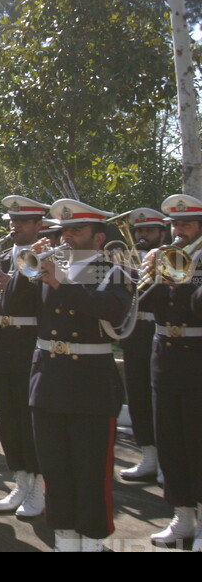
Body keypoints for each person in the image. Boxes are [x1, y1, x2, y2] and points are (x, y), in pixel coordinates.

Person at [26, 199, 130, 552]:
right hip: (49, 381)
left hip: (90, 385)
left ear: (98, 238)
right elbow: (12, 306)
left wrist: (60, 282)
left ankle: (92, 538)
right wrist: (23, 262)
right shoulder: (48, 268)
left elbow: (110, 309)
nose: (66, 237)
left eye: (76, 230)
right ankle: (64, 536)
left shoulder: (111, 271)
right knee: (54, 468)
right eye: (64, 230)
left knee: (90, 471)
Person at [141, 194, 202, 551]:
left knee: (197, 440)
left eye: (187, 225)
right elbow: (141, 303)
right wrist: (148, 274)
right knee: (170, 440)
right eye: (175, 225)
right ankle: (182, 514)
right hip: (164, 354)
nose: (179, 231)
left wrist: (184, 280)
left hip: (197, 356)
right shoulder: (163, 256)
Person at [0, 196, 49, 518]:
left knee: (28, 421)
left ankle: (37, 486)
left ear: (39, 224)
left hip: (30, 343)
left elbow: (48, 298)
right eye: (13, 220)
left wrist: (15, 283)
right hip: (3, 341)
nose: (16, 225)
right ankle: (20, 481)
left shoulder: (47, 255)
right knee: (8, 421)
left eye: (24, 220)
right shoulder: (3, 254)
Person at [117, 208, 166, 482]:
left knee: (162, 400)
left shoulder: (175, 257)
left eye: (148, 231)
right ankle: (148, 454)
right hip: (135, 334)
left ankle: (165, 460)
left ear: (162, 233)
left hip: (161, 333)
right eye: (138, 232)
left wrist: (160, 272)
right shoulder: (126, 259)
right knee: (137, 395)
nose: (142, 236)